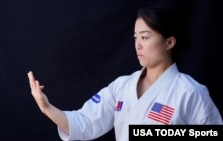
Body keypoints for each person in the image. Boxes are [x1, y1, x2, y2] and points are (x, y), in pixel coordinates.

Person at [27, 5, 223, 141]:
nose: (137, 45)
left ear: (169, 42)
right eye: (135, 37)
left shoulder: (191, 92)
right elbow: (84, 123)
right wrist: (47, 108)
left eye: (145, 37)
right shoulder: (121, 86)